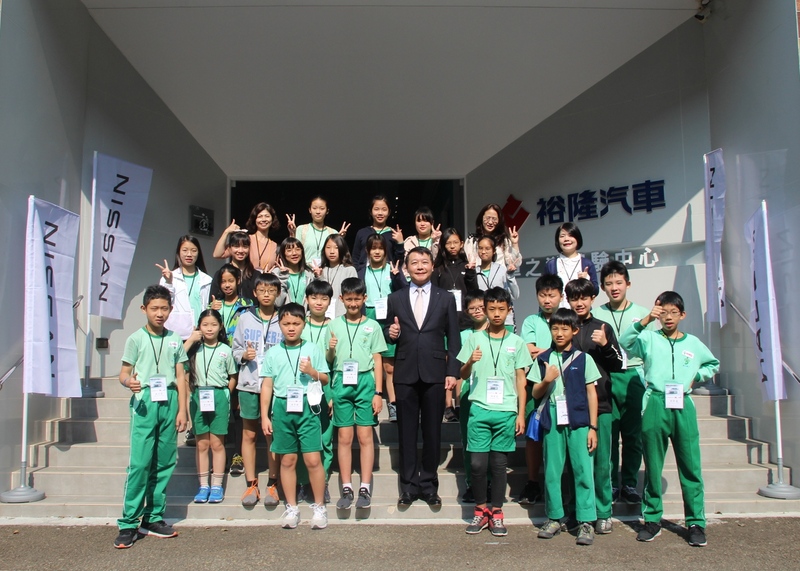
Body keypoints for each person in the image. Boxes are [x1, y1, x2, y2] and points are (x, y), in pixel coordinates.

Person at [619, 291, 720, 547]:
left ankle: (695, 522)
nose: (668, 317)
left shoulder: (693, 343)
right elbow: (625, 341)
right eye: (663, 312)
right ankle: (652, 519)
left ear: (682, 315)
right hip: (656, 401)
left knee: (690, 465)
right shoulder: (649, 338)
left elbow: (712, 364)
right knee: (653, 465)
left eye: (673, 312)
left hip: (683, 403)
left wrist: (695, 378)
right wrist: (646, 319)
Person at [113, 285, 189, 549]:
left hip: (169, 399)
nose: (159, 313)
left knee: (165, 462)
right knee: (140, 463)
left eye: (164, 308)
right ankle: (128, 523)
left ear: (170, 309)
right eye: (154, 308)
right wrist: (129, 382)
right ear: (144, 309)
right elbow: (124, 373)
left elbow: (181, 376)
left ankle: (153, 518)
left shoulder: (175, 339)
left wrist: (183, 410)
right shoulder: (135, 339)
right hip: (145, 400)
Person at [385, 247, 461, 506]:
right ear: (406, 268)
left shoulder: (445, 298)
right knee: (406, 433)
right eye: (414, 262)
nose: (419, 266)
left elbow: (454, 338)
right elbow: (389, 330)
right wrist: (390, 333)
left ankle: (429, 486)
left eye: (424, 262)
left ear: (432, 266)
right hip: (405, 371)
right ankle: (407, 487)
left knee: (432, 432)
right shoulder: (395, 298)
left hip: (435, 372)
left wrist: (452, 372)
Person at [458, 288, 531, 536]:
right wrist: (470, 361)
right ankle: (480, 511)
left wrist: (520, 414)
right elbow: (462, 374)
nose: (496, 314)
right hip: (479, 408)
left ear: (509, 310)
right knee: (477, 464)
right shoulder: (474, 338)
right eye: (492, 309)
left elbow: (521, 380)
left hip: (506, 410)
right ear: (485, 310)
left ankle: (497, 512)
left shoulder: (516, 342)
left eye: (501, 309)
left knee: (499, 465)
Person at [529, 308, 600, 546]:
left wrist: (593, 427)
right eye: (555, 328)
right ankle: (554, 517)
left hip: (579, 420)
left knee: (582, 470)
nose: (559, 333)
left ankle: (586, 520)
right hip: (552, 418)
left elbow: (592, 394)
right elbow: (535, 392)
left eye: (565, 328)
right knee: (552, 471)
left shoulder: (584, 359)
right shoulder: (543, 358)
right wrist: (547, 379)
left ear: (574, 330)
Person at [260, 303, 330, 529]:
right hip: (282, 406)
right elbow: (267, 385)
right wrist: (265, 416)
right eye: (286, 323)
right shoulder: (272, 352)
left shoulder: (312, 349)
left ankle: (319, 507)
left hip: (307, 405)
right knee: (287, 459)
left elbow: (326, 378)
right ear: (279, 324)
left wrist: (312, 372)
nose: (291, 328)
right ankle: (291, 507)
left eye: (296, 323)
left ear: (304, 324)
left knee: (313, 459)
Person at [565, 278, 625, 535]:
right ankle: (577, 511)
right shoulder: (564, 327)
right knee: (576, 463)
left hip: (600, 404)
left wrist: (605, 345)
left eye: (584, 298)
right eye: (574, 298)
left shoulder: (603, 327)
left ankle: (603, 512)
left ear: (592, 299)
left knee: (602, 462)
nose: (579, 303)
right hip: (572, 406)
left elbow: (619, 364)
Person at [593, 260, 652, 503]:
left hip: (633, 375)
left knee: (632, 434)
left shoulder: (643, 313)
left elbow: (650, 350)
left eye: (619, 282)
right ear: (602, 287)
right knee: (609, 433)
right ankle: (610, 484)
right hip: (607, 376)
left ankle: (629, 483)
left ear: (628, 284)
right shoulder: (597, 313)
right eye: (609, 284)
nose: (614, 287)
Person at [328, 277, 387, 510]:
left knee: (365, 436)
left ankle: (364, 486)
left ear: (365, 299)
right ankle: (346, 487)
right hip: (341, 381)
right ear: (341, 299)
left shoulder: (373, 326)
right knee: (344, 437)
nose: (353, 304)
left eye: (357, 299)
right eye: (349, 299)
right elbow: (329, 361)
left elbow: (378, 359)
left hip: (365, 381)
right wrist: (331, 349)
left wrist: (378, 392)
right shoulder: (333, 325)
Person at [232, 273, 284, 508]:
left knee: (272, 434)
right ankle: (251, 483)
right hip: (249, 383)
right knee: (249, 434)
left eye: (271, 291)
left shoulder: (283, 318)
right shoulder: (245, 318)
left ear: (278, 293)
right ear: (254, 293)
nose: (266, 294)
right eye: (262, 290)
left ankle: (273, 482)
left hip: (275, 386)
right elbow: (235, 349)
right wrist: (244, 355)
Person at [517, 274, 563, 505]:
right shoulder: (531, 321)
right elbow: (529, 350)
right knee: (534, 435)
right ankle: (533, 482)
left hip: (563, 385)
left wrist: (541, 351)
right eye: (543, 295)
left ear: (561, 296)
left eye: (552, 295)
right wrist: (555, 351)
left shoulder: (567, 319)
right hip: (535, 382)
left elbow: (539, 350)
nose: (547, 300)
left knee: (560, 434)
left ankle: (560, 483)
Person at [185, 310, 238, 505]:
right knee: (202, 444)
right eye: (205, 324)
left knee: (217, 443)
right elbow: (176, 360)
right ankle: (203, 485)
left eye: (214, 324)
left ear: (220, 326)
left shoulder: (225, 349)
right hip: (198, 395)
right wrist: (191, 340)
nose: (209, 328)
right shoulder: (194, 349)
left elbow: (233, 375)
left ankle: (216, 485)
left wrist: (225, 394)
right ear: (199, 326)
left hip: (219, 395)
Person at [208, 263, 252, 477]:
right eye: (223, 281)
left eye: (231, 281)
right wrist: (212, 311)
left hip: (241, 363)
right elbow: (205, 328)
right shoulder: (213, 306)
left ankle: (237, 455)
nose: (227, 285)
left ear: (238, 281)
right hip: (218, 363)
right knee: (221, 410)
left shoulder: (247, 305)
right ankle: (220, 456)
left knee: (237, 410)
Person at [359, 234, 407, 422]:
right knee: (369, 361)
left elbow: (404, 290)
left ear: (385, 251)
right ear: (367, 251)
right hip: (368, 316)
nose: (377, 252)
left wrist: (397, 276)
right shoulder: (361, 271)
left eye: (380, 248)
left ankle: (393, 404)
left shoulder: (392, 268)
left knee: (389, 366)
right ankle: (370, 398)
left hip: (388, 317)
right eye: (373, 248)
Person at [296, 280, 336, 503]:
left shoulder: (334, 325)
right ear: (307, 300)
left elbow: (333, 362)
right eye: (314, 298)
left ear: (330, 301)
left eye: (324, 298)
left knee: (325, 438)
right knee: (303, 437)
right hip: (301, 386)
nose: (318, 302)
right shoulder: (300, 324)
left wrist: (332, 395)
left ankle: (324, 481)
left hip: (325, 383)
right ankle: (303, 481)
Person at [458, 290, 487, 503]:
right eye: (472, 308)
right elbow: (460, 368)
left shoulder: (500, 331)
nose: (477, 311)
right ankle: (472, 483)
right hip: (469, 391)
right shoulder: (463, 335)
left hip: (493, 394)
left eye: (481, 307)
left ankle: (491, 482)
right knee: (469, 440)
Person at [156, 235, 212, 340]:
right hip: (176, 335)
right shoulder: (168, 278)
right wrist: (169, 282)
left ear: (198, 253)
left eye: (193, 251)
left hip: (201, 334)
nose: (189, 254)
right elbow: (163, 303)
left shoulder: (207, 280)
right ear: (178, 252)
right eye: (185, 250)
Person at [542, 222, 598, 307]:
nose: (566, 239)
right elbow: (543, 292)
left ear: (577, 238)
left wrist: (587, 280)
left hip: (580, 312)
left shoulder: (587, 264)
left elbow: (596, 291)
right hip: (558, 313)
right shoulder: (551, 265)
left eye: (571, 235)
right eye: (562, 236)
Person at [213, 203, 280, 272]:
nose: (263, 219)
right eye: (260, 216)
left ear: (272, 219)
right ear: (255, 219)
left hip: (265, 279)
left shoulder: (275, 246)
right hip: (245, 277)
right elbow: (217, 254)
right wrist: (226, 232)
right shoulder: (245, 239)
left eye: (267, 216)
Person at [286, 195, 350, 267]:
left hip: (326, 271)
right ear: (310, 210)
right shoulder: (301, 229)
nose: (318, 212)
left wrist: (339, 239)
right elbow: (293, 251)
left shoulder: (333, 232)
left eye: (322, 208)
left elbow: (339, 256)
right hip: (305, 270)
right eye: (314, 208)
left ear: (327, 211)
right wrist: (292, 233)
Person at [473, 235, 519, 331]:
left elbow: (515, 295)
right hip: (483, 323)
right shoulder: (473, 272)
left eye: (487, 248)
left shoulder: (502, 270)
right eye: (480, 248)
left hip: (504, 321)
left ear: (494, 251)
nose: (483, 251)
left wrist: (510, 276)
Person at [351, 195, 405, 272]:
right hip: (364, 276)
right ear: (370, 211)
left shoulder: (394, 234)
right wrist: (358, 274)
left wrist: (400, 243)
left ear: (389, 212)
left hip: (387, 276)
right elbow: (355, 258)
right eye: (376, 209)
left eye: (384, 209)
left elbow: (399, 262)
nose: (380, 213)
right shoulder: (362, 233)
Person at [464, 203, 522, 271]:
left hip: (499, 276)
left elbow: (515, 263)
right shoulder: (472, 240)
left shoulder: (503, 240)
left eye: (494, 219)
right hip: (479, 276)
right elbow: (469, 263)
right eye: (487, 218)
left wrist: (515, 244)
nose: (490, 222)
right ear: (481, 218)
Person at [317, 234, 358, 318]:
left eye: (336, 248)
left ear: (342, 249)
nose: (332, 251)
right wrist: (319, 277)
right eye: (328, 247)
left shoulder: (349, 270)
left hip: (343, 316)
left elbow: (353, 295)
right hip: (322, 316)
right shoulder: (321, 270)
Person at [210, 231, 257, 304]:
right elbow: (212, 301)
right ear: (229, 248)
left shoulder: (256, 275)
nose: (240, 251)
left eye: (245, 247)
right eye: (236, 246)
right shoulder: (221, 274)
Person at [272, 237, 315, 306]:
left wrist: (319, 277)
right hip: (285, 312)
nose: (294, 253)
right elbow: (278, 303)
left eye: (297, 249)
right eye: (289, 250)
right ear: (283, 253)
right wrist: (282, 277)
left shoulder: (309, 274)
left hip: (304, 312)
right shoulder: (276, 273)